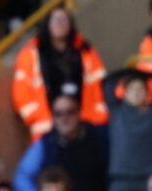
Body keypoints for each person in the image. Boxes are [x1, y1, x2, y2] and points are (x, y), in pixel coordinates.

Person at [10, 5, 108, 141]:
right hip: (47, 128)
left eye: (64, 20)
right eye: (55, 20)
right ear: (47, 24)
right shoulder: (30, 54)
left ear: (70, 24)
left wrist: (98, 117)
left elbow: (102, 87)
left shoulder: (86, 52)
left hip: (86, 125)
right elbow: (21, 93)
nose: (60, 24)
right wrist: (38, 116)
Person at [101, 68, 152, 191]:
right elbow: (107, 83)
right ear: (124, 93)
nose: (137, 92)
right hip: (120, 180)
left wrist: (145, 73)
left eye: (141, 89)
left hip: (148, 181)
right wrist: (128, 72)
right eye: (132, 89)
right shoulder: (116, 110)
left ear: (147, 94)